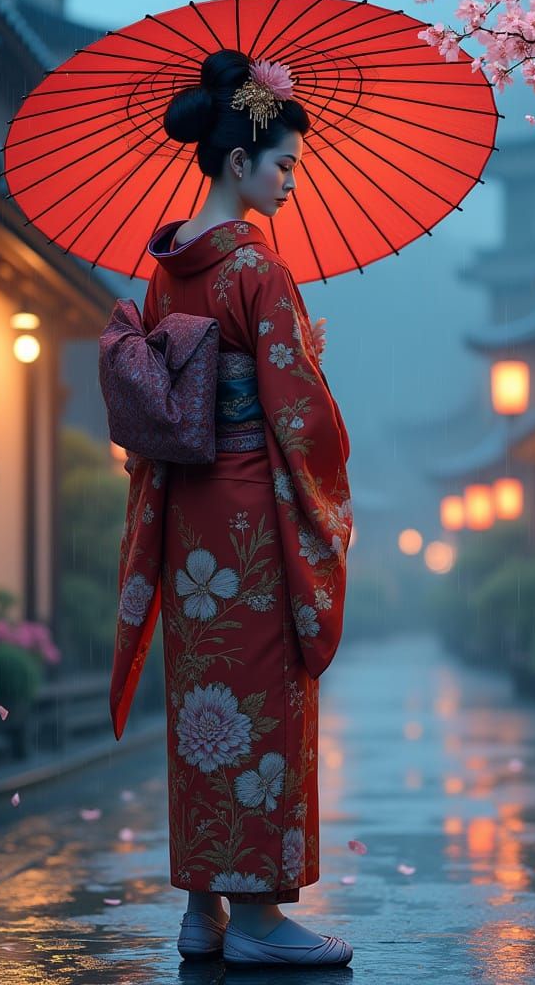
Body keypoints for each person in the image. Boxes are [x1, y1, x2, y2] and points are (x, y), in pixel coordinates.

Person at [108, 48, 353, 966]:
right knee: (262, 702)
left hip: (187, 517)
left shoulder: (166, 269)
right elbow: (304, 421)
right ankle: (256, 922)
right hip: (252, 512)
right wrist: (304, 366)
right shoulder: (258, 268)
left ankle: (201, 911)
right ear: (237, 162)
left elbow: (185, 384)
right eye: (284, 165)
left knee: (202, 705)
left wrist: (271, 363)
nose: (291, 183)